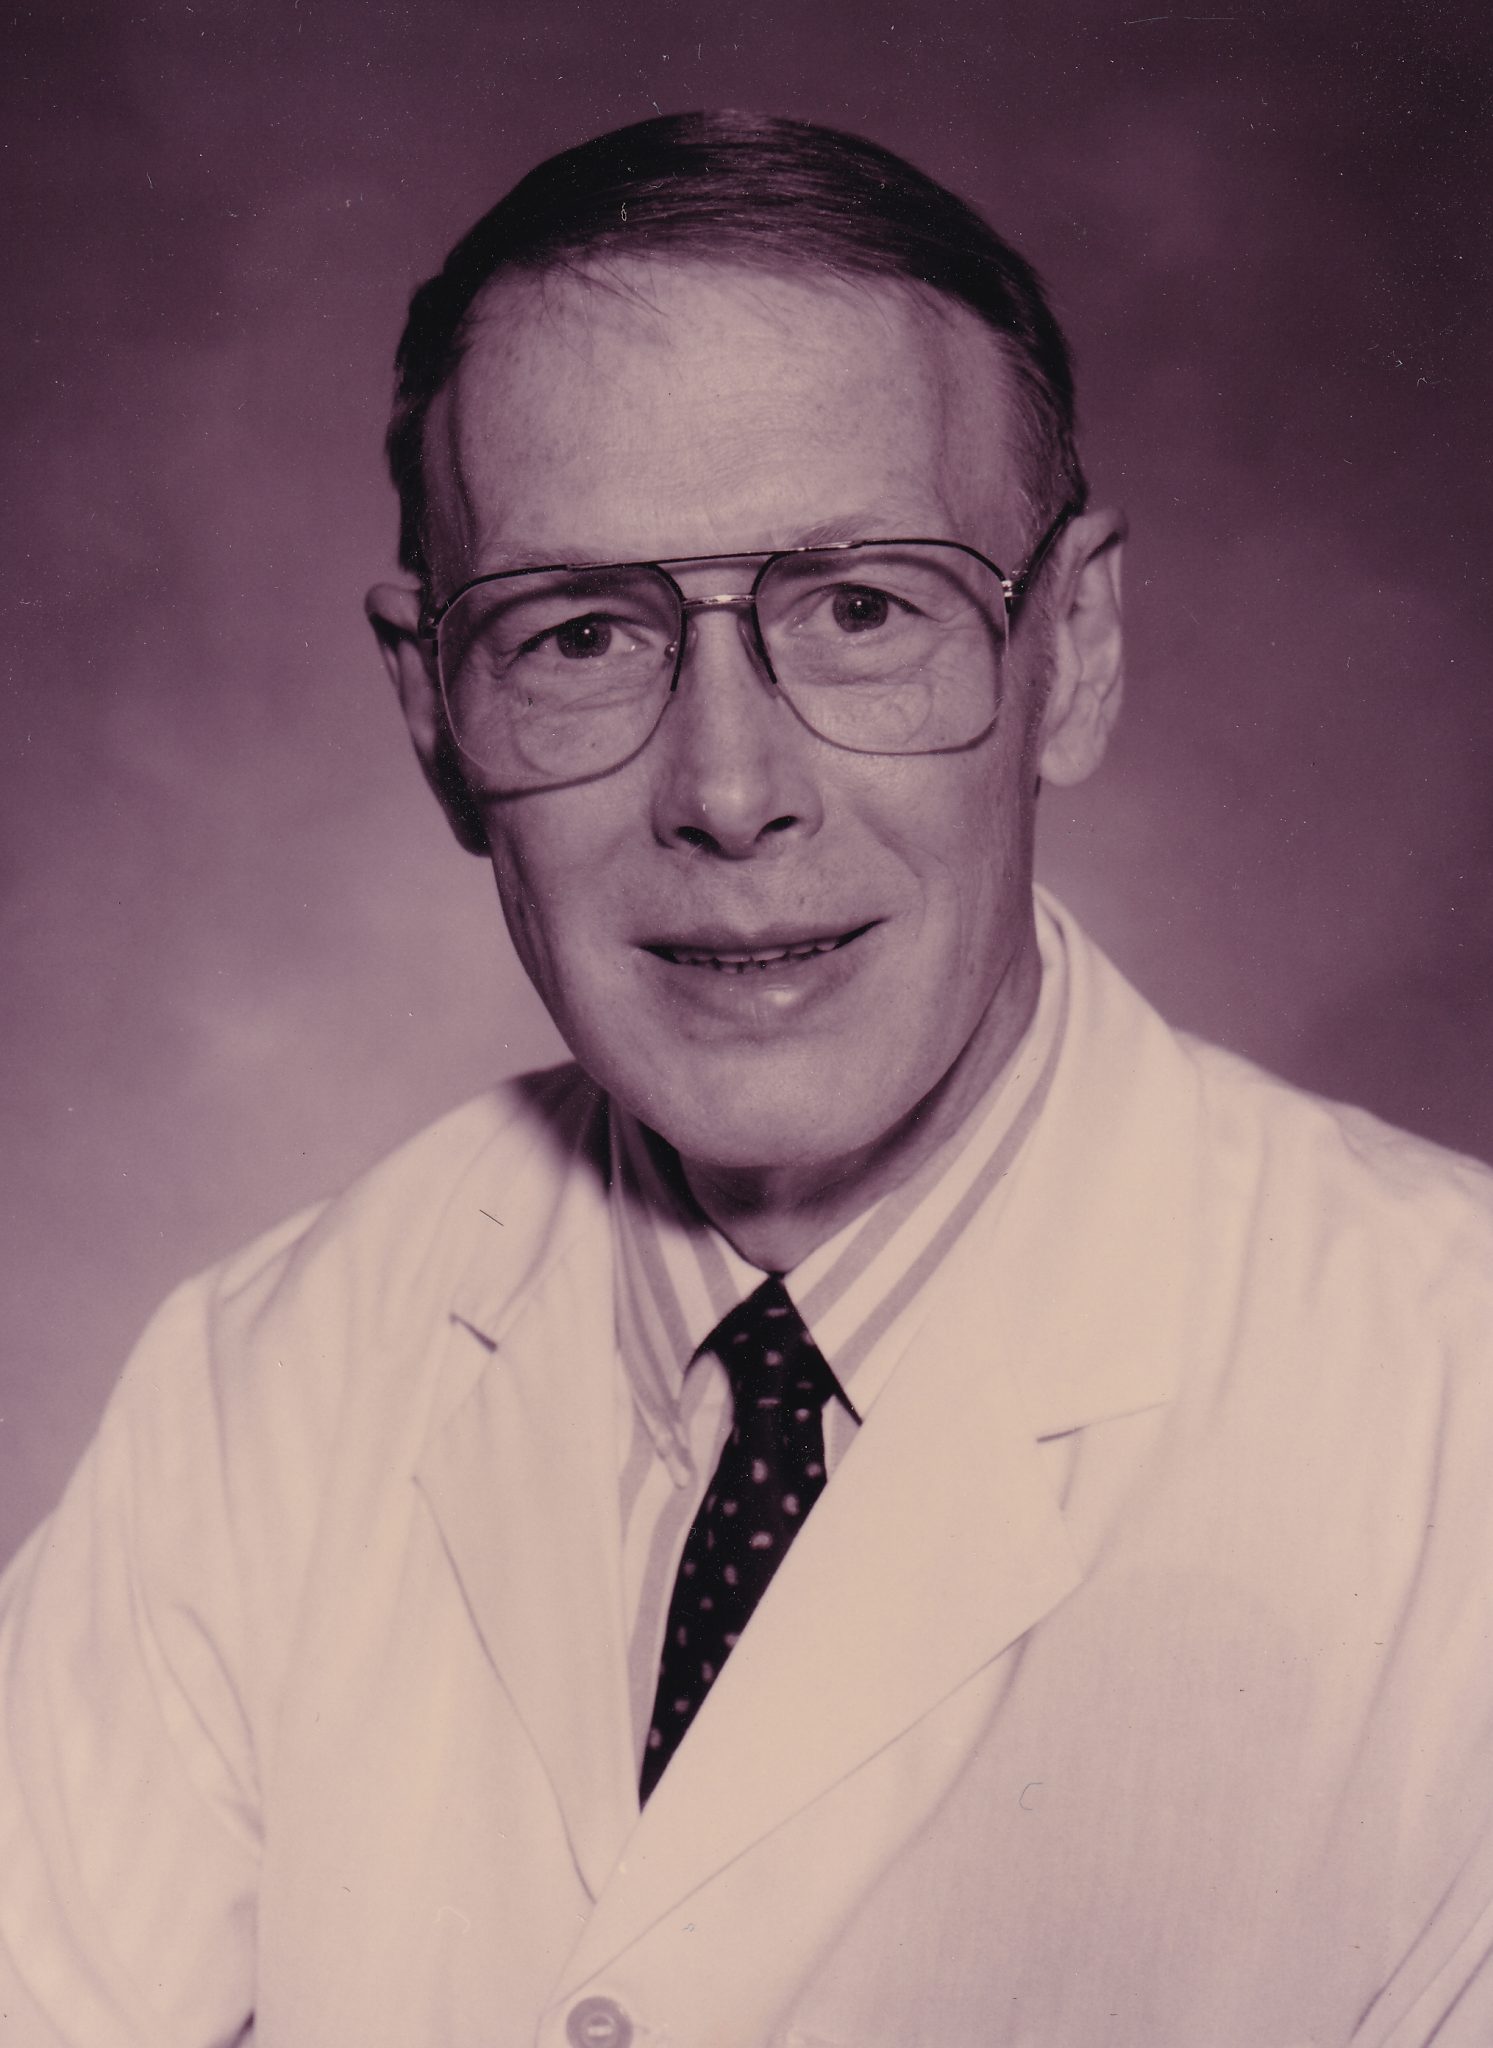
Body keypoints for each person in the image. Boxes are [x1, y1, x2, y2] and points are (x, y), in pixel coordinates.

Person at [2, 109, 1491, 2048]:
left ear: (1073, 647)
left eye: (861, 607)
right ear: (435, 717)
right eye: (579, 633)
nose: (726, 789)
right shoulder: (254, 1393)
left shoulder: (1454, 1416)